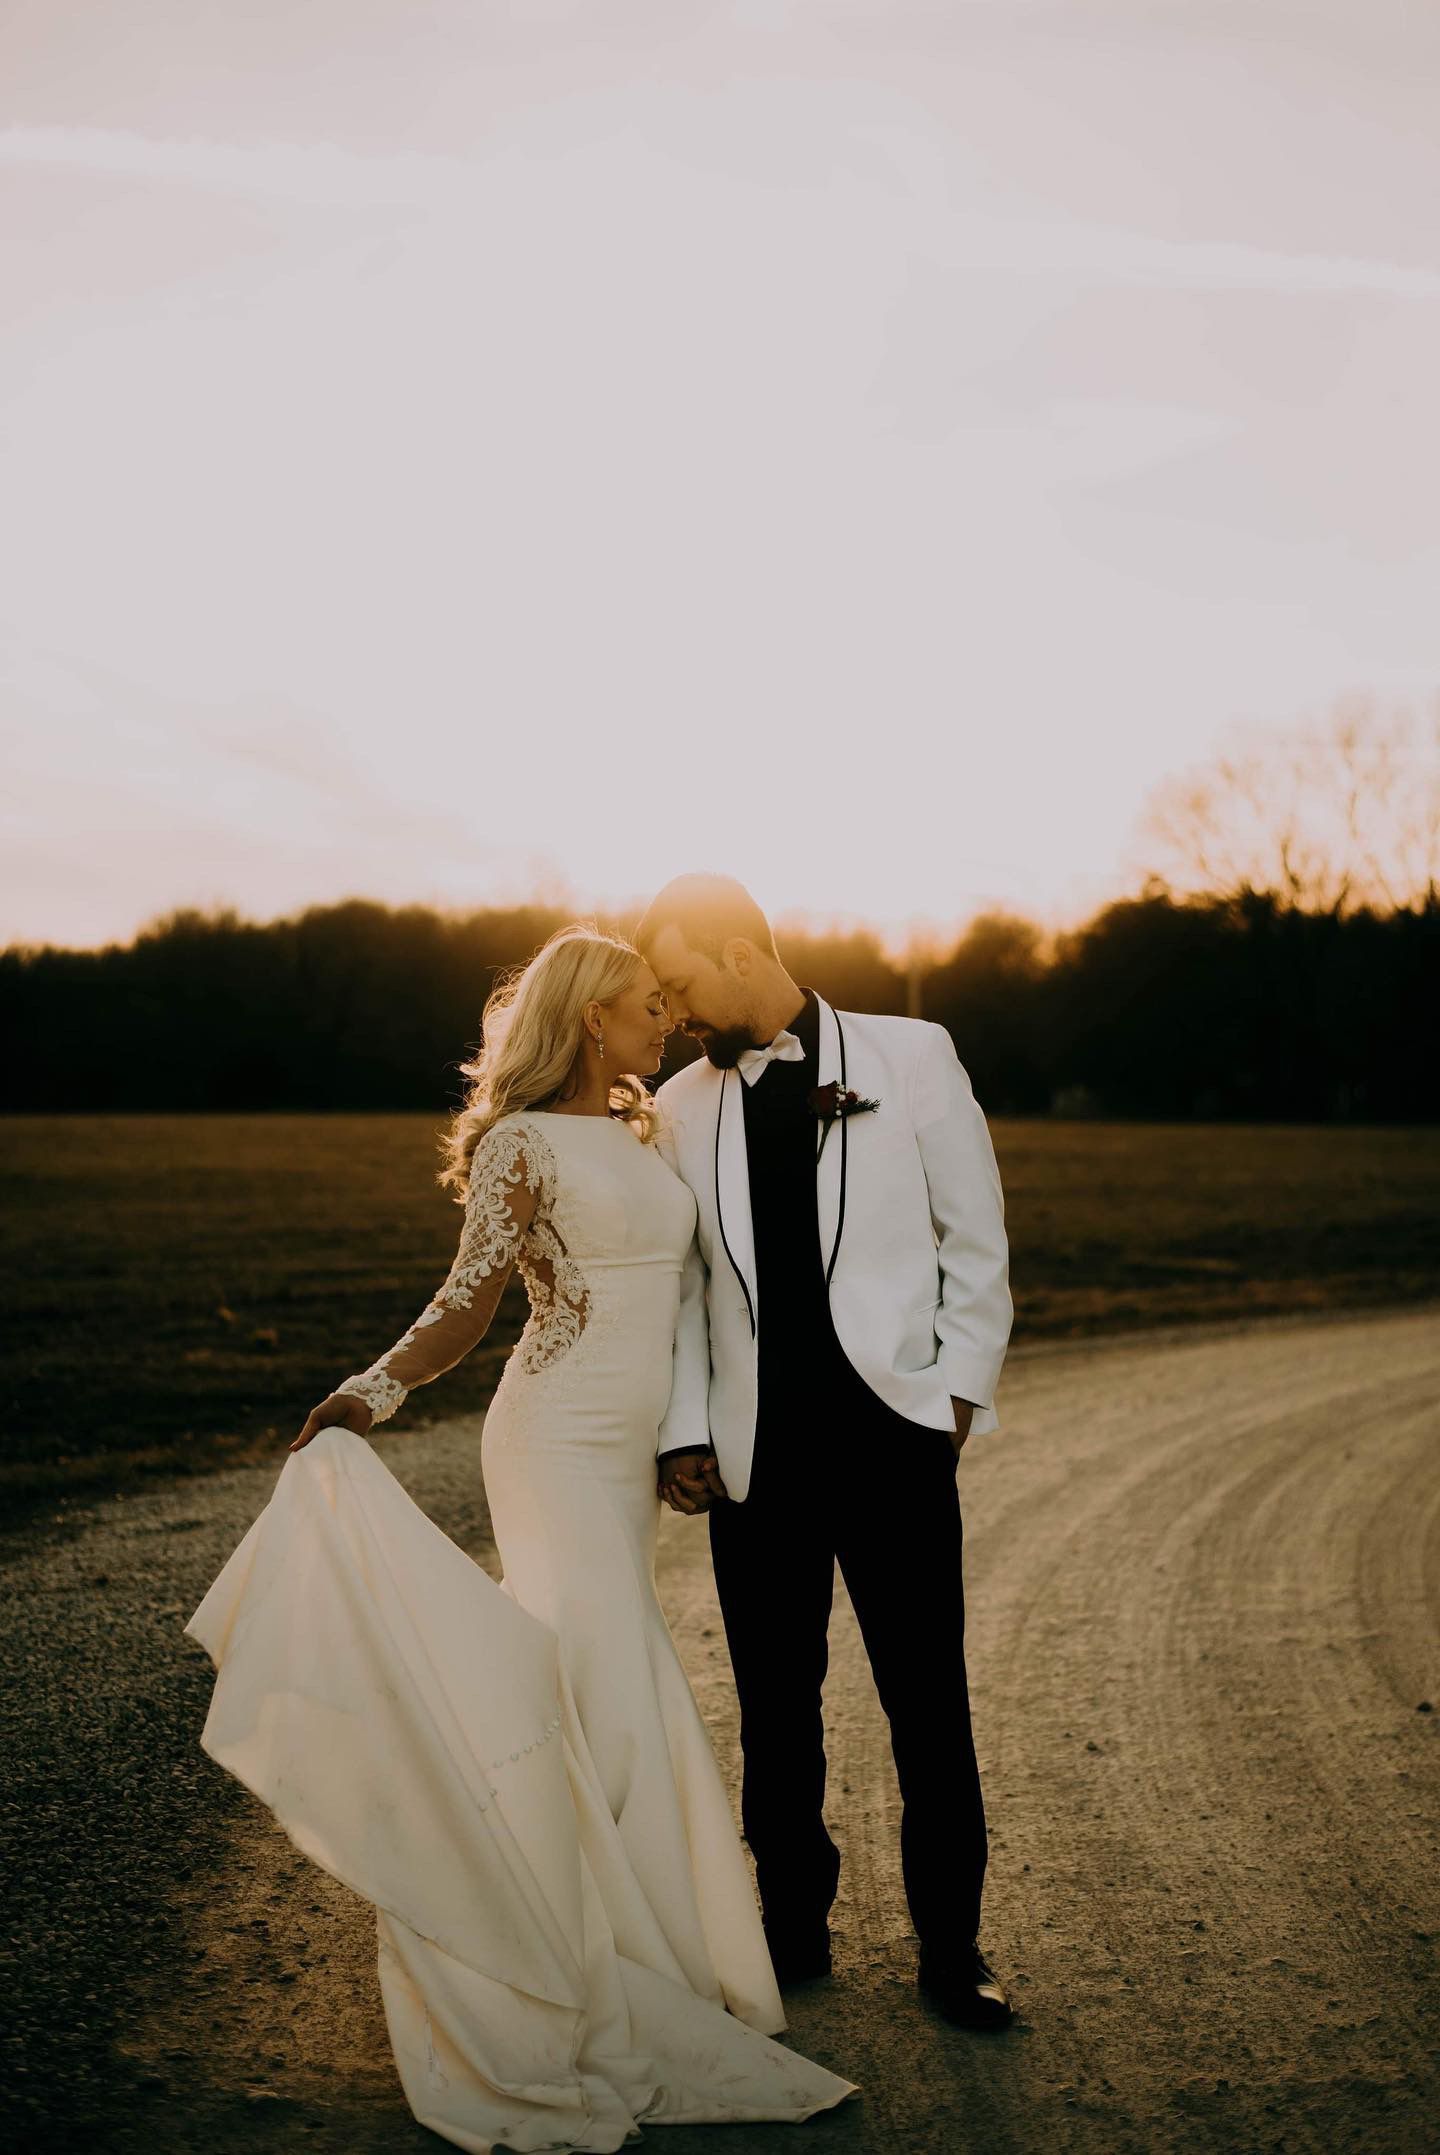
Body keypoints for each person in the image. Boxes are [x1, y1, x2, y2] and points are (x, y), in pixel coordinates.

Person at [183, 924, 856, 2154]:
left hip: (625, 1447)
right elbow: (467, 1303)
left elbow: (700, 1289)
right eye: (647, 1003)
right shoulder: (519, 1146)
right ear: (592, 1017)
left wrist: (682, 1432)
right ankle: (559, 1946)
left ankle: (634, 1934)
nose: (667, 1018)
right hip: (549, 1436)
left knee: (604, 1670)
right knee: (600, 1663)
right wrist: (367, 1392)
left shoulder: (645, 1125)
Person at [634, 874, 1015, 2030]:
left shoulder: (910, 1055)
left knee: (927, 1709)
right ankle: (793, 1936)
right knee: (774, 1713)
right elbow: (683, 1288)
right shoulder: (679, 1107)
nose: (675, 1007)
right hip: (759, 1460)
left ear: (744, 952)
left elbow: (976, 1239)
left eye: (682, 980)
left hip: (893, 1441)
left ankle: (955, 1951)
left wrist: (953, 1395)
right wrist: (685, 1430)